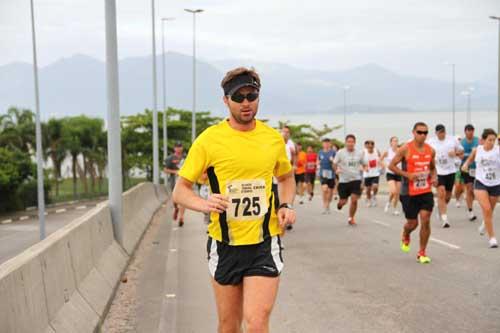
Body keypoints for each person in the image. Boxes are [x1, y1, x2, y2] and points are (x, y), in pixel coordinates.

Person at [173, 67, 296, 332]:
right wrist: (204, 204)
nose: (246, 103)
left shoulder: (272, 139)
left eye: (251, 95)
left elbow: (286, 178)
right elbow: (180, 190)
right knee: (229, 326)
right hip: (225, 244)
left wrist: (285, 205)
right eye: (238, 97)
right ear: (225, 100)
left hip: (264, 242)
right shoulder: (209, 140)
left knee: (256, 322)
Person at [389, 122, 437, 264]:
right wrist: (407, 174)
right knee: (413, 223)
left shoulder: (431, 150)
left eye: (425, 133)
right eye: (419, 132)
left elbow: (433, 168)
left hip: (425, 190)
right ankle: (406, 233)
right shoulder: (405, 149)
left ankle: (422, 252)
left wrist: (434, 177)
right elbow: (391, 165)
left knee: (425, 219)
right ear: (413, 133)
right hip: (408, 192)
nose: (422, 135)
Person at [462, 128, 500, 248]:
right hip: (480, 182)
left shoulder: (498, 151)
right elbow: (470, 159)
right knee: (487, 209)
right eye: (490, 140)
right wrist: (466, 164)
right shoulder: (477, 150)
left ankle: (485, 223)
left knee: (490, 211)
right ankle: (492, 238)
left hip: (495, 183)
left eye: (494, 140)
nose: (492, 142)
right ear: (483, 140)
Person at [427, 124, 463, 228]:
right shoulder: (431, 142)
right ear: (436, 133)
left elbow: (461, 151)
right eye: (439, 132)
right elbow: (424, 151)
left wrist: (455, 153)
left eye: (443, 131)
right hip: (438, 171)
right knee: (441, 193)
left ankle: (440, 206)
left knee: (447, 196)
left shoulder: (452, 140)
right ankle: (444, 218)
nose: (442, 133)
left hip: (451, 171)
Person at [334, 134, 367, 226]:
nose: (350, 143)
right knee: (343, 201)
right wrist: (336, 170)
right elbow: (334, 163)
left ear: (355, 143)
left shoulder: (360, 153)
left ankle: (351, 218)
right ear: (345, 143)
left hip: (356, 179)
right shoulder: (340, 152)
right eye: (348, 142)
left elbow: (365, 164)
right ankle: (340, 204)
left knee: (354, 199)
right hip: (343, 181)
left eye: (352, 142)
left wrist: (364, 169)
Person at [164, 141, 186, 227]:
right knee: (175, 199)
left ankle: (181, 217)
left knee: (184, 199)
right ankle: (176, 208)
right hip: (174, 181)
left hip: (184, 181)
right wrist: (175, 172)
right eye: (177, 147)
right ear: (174, 148)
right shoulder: (170, 158)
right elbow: (165, 170)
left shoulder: (186, 157)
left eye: (180, 146)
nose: (179, 148)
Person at [460, 124, 479, 221]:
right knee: (469, 188)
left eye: (471, 130)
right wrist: (461, 156)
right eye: (468, 130)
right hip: (466, 168)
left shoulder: (478, 141)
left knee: (474, 191)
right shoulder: (462, 143)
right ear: (465, 131)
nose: (470, 132)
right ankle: (470, 211)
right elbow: (458, 155)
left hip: (477, 169)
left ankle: (470, 202)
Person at [380, 136, 401, 215]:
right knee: (393, 191)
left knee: (397, 193)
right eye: (394, 141)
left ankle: (394, 208)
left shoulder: (400, 151)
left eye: (396, 141)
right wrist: (385, 165)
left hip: (398, 173)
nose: (395, 142)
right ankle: (389, 202)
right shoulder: (387, 152)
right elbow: (380, 160)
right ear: (391, 143)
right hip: (390, 173)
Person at [318, 138, 336, 214]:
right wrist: (318, 168)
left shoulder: (333, 152)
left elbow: (336, 163)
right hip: (323, 173)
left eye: (328, 143)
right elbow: (318, 161)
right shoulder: (320, 152)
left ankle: (328, 205)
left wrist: (333, 160)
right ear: (323, 144)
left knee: (330, 191)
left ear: (330, 144)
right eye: (325, 143)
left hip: (331, 174)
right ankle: (325, 206)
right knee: (325, 189)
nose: (326, 144)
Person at [363, 140, 381, 207]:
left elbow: (380, 158)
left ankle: (374, 196)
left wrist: (380, 164)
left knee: (375, 186)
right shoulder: (364, 152)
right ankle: (368, 199)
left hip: (375, 173)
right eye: (369, 147)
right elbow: (360, 162)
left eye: (372, 147)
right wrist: (364, 168)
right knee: (368, 189)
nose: (370, 148)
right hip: (367, 174)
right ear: (367, 147)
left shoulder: (376, 151)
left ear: (373, 146)